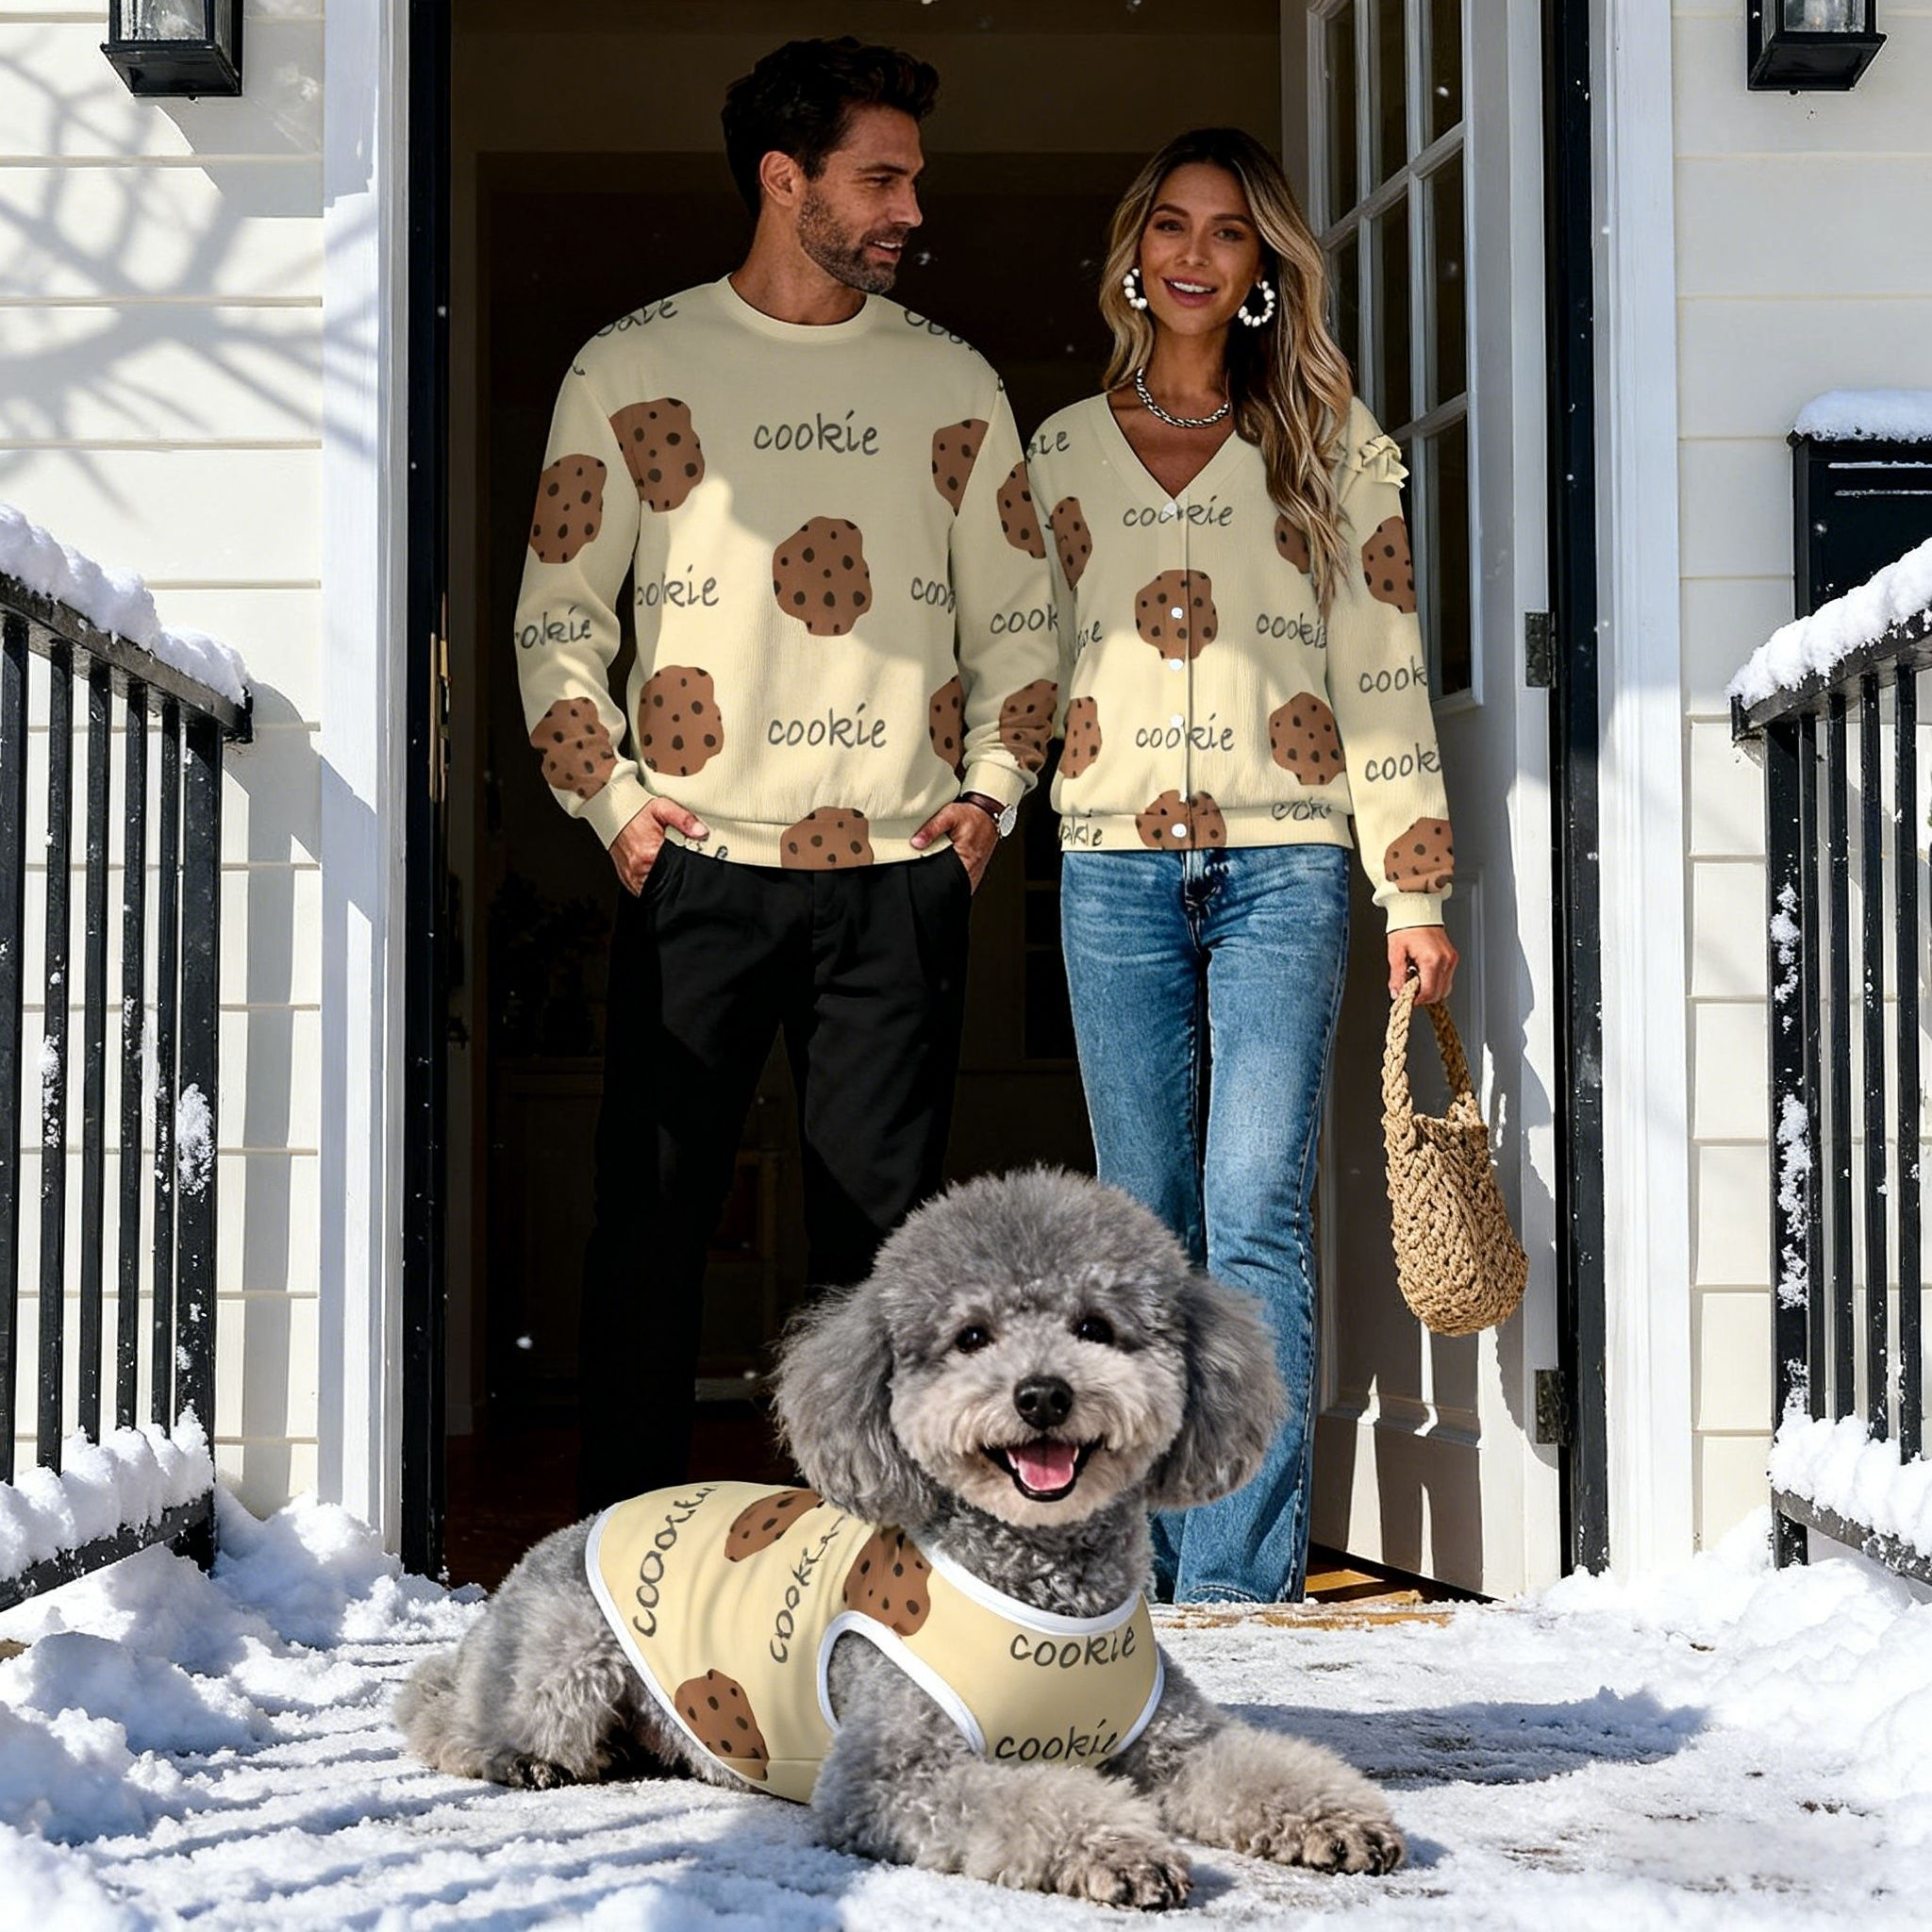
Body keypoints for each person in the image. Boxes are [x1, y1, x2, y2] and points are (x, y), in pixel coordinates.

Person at [512, 37, 1056, 1513]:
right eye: (880, 180)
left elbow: (1025, 620)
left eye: (913, 181)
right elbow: (558, 622)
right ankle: (622, 1558)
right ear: (783, 180)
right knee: (650, 1228)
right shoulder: (629, 367)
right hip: (694, 866)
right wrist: (615, 808)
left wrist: (990, 798)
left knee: (881, 1261)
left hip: (898, 874)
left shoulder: (951, 380)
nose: (911, 210)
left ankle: (870, 1555)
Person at [1029, 127, 1458, 1604]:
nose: (1196, 255)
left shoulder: (1334, 450)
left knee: (1256, 1204)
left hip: (1287, 862)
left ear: (1266, 267)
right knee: (1139, 1216)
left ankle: (1233, 1582)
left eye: (1228, 232)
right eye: (1172, 225)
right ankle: (1137, 1562)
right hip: (1112, 867)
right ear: (1134, 253)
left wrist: (1414, 888)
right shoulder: (1059, 453)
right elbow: (1018, 659)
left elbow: (1383, 676)